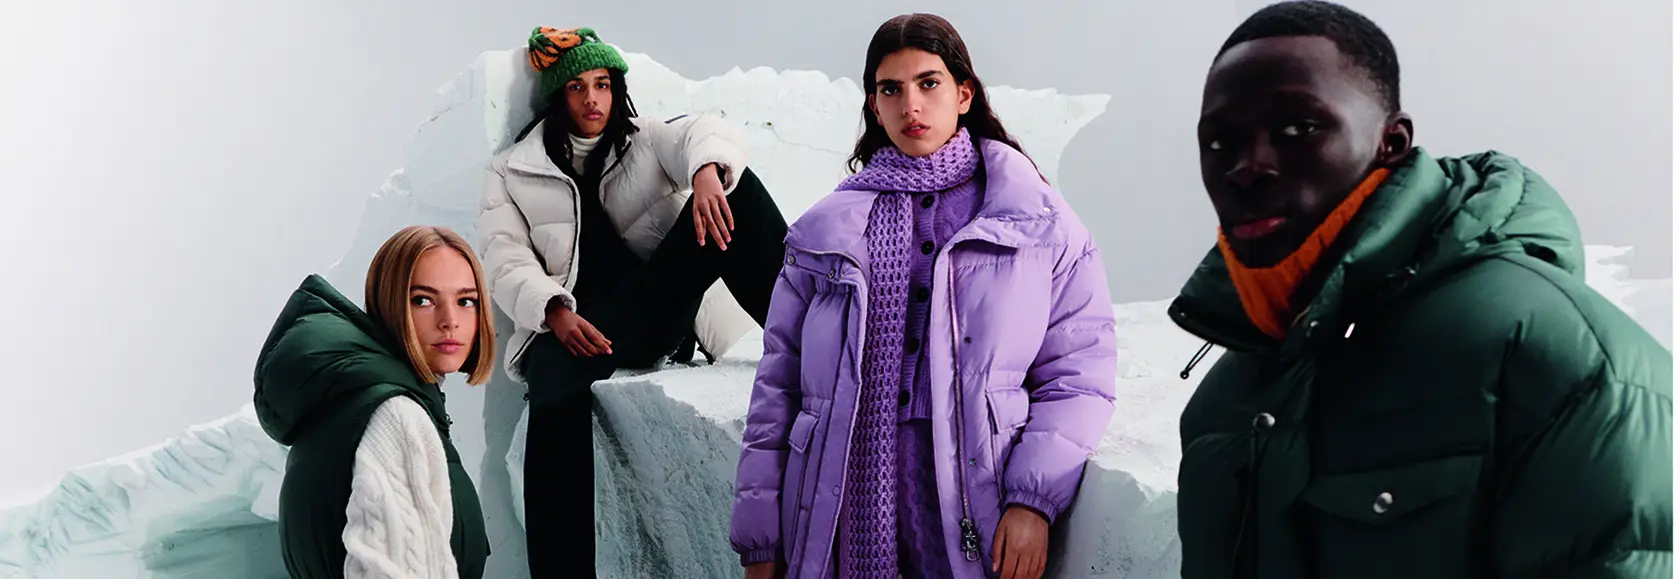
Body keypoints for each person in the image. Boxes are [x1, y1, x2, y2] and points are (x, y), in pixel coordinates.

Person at [1170, 2, 1673, 577]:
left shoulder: (1556, 363)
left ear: (1392, 142)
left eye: (1298, 128)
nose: (1247, 166)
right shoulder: (1224, 398)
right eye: (1220, 142)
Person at [728, 13, 1119, 579]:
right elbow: (777, 391)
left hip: (976, 504)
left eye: (928, 83)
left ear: (964, 94)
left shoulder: (1034, 222)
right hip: (841, 512)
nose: (910, 105)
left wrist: (1033, 501)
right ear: (873, 105)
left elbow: (1078, 374)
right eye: (891, 89)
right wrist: (761, 543)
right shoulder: (823, 236)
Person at [477, 25, 790, 576]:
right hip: (585, 324)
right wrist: (553, 309)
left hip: (658, 306)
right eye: (577, 87)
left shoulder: (644, 137)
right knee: (551, 385)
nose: (592, 99)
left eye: (602, 84)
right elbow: (505, 258)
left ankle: (813, 338)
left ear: (616, 89)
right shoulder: (512, 171)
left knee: (735, 191)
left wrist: (706, 171)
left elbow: (702, 131)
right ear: (558, 96)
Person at [254, 225, 495, 579]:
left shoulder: (347, 408)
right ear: (388, 303)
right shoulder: (395, 416)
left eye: (466, 301)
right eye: (423, 300)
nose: (450, 321)